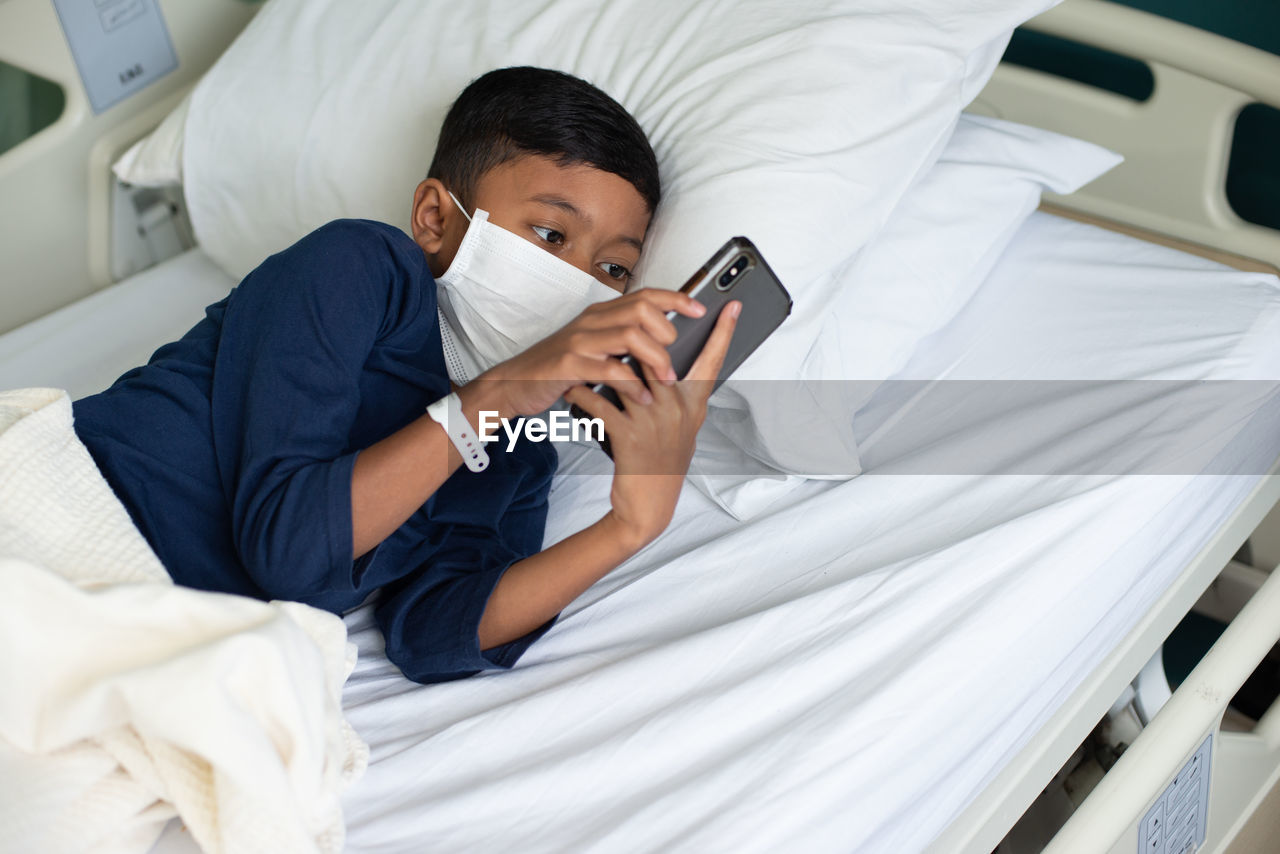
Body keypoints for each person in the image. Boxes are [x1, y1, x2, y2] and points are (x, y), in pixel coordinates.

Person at [72, 67, 738, 684]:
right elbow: (290, 549)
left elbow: (432, 632)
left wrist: (631, 525)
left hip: (143, 642)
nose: (578, 283)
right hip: (73, 516)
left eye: (614, 270)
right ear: (434, 219)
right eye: (551, 235)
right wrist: (501, 392)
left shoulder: (520, 451)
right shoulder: (358, 268)